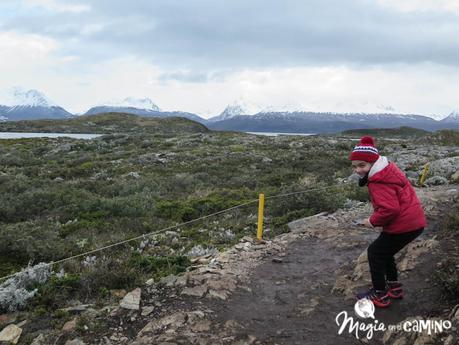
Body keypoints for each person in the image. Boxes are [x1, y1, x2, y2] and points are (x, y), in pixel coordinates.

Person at [349, 136, 426, 308]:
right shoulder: (388, 170)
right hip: (414, 222)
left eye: (362, 165)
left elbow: (390, 209)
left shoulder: (378, 180)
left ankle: (379, 294)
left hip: (403, 225)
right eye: (354, 166)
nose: (357, 170)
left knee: (375, 253)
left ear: (372, 162)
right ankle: (394, 287)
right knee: (386, 252)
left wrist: (371, 221)